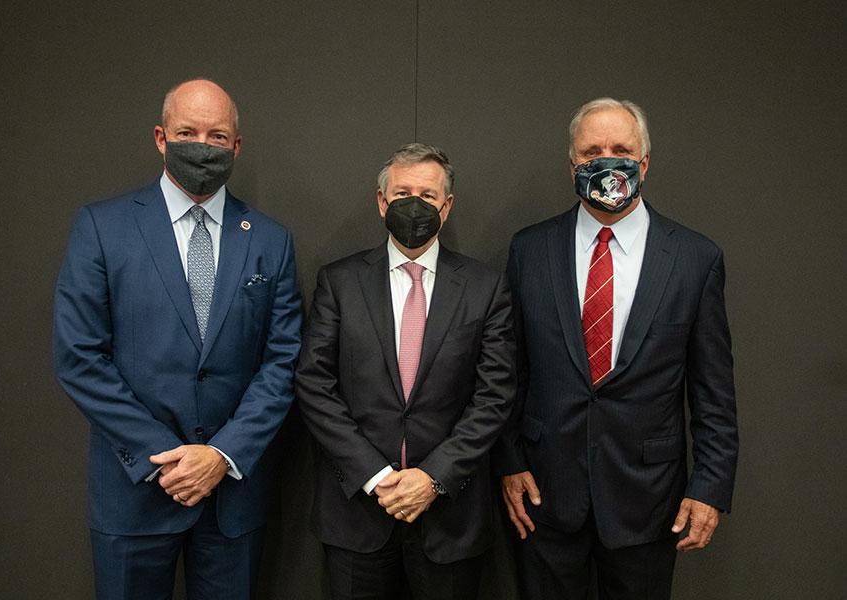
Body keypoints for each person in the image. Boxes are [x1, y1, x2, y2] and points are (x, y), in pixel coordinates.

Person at [53, 78, 302, 600]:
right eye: (188, 132)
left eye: (217, 136)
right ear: (161, 138)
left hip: (232, 493)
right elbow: (80, 357)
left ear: (236, 146)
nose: (202, 147)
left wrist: (220, 456)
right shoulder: (103, 227)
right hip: (135, 491)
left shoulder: (272, 241)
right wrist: (165, 456)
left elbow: (282, 362)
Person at [495, 98, 738, 599]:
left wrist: (709, 488)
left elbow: (713, 390)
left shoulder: (695, 259)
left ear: (644, 162)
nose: (607, 161)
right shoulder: (529, 250)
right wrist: (508, 461)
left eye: (622, 149)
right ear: (572, 166)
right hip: (544, 495)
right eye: (591, 152)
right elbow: (507, 372)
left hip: (648, 501)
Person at [296, 143, 516, 600]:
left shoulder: (485, 287)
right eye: (402, 194)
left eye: (428, 195)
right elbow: (314, 385)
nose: (414, 205)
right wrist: (377, 477)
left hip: (449, 516)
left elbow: (494, 395)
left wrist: (433, 477)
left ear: (447, 206)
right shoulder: (339, 282)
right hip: (357, 513)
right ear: (381, 202)